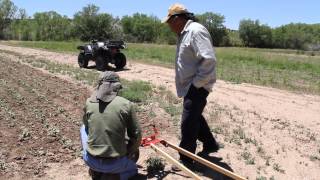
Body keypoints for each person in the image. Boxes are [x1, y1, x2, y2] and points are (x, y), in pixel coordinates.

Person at [162, 3, 219, 169]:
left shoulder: (195, 31)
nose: (169, 26)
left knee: (188, 122)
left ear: (177, 19)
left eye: (169, 22)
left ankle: (186, 160)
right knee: (194, 115)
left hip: (198, 85)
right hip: (190, 85)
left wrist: (196, 84)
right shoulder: (184, 33)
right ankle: (210, 144)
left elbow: (209, 60)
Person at [80, 71, 142, 180]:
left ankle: (96, 170)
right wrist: (130, 151)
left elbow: (86, 125)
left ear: (99, 86)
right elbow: (137, 135)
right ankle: (115, 176)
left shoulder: (89, 102)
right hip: (117, 164)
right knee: (133, 170)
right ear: (116, 87)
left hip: (91, 161)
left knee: (83, 128)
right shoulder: (126, 104)